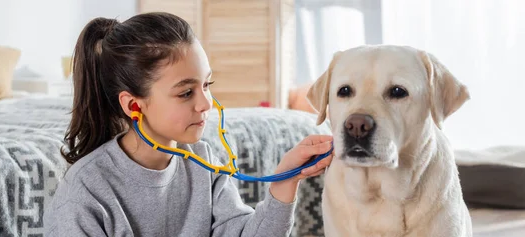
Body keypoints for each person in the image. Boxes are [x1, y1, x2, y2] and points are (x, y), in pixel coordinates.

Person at [44, 12, 333, 237]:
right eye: (186, 92)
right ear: (134, 105)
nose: (205, 103)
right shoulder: (86, 191)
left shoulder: (203, 162)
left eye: (207, 84)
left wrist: (285, 179)